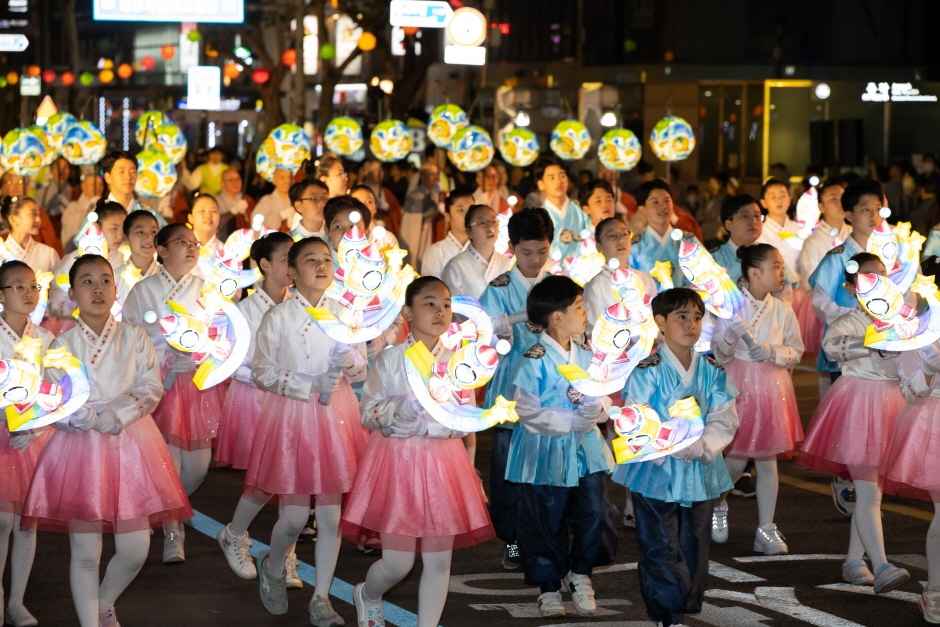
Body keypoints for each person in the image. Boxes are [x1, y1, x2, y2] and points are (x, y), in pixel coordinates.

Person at [22, 254, 191, 627]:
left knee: (135, 548)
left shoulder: (134, 337)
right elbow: (52, 396)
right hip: (80, 449)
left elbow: (151, 387)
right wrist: (79, 415)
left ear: (116, 289)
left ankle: (104, 601)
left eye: (104, 281)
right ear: (72, 293)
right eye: (87, 282)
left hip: (131, 444)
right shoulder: (61, 344)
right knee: (85, 550)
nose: (97, 289)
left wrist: (119, 413)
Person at [345, 276, 494, 627]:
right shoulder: (391, 359)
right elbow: (368, 412)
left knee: (439, 560)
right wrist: (403, 413)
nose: (441, 311)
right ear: (409, 312)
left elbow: (466, 419)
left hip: (445, 464)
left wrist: (447, 420)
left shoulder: (461, 361)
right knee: (399, 562)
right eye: (430, 303)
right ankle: (368, 593)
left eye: (445, 304)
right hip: (399, 461)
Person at [244, 237, 366, 623]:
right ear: (291, 272)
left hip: (335, 418)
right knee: (295, 517)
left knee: (330, 515)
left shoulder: (344, 312)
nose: (320, 266)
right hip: (293, 418)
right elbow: (262, 372)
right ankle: (274, 564)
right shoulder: (278, 317)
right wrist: (305, 385)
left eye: (326, 259)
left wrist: (352, 363)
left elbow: (362, 366)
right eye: (310, 260)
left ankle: (322, 597)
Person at [613, 288, 739, 627]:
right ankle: (666, 612)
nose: (692, 325)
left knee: (694, 543)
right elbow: (636, 419)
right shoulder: (647, 369)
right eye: (682, 317)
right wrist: (673, 444)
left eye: (697, 317)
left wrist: (703, 445)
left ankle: (683, 603)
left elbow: (725, 415)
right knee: (659, 544)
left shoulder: (710, 369)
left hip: (699, 467)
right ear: (660, 323)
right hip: (658, 471)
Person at [800, 252, 910, 593]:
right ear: (851, 288)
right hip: (860, 406)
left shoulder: (900, 320)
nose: (878, 284)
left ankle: (853, 560)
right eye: (867, 279)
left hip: (892, 405)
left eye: (882, 277)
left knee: (872, 490)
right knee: (867, 491)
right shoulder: (849, 321)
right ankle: (880, 564)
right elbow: (833, 348)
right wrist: (870, 344)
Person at [505, 275, 614, 618]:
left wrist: (598, 411)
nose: (585, 314)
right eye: (579, 308)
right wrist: (572, 421)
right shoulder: (534, 358)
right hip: (546, 450)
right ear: (556, 316)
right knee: (545, 518)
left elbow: (605, 393)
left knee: (592, 512)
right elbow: (527, 411)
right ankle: (549, 585)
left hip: (585, 450)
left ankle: (580, 573)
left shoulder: (586, 353)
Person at [122, 224, 224, 564]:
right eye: (181, 242)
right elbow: (132, 341)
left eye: (194, 243)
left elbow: (225, 335)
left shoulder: (207, 289)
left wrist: (203, 354)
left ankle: (167, 507)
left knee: (197, 467)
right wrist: (166, 357)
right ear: (161, 250)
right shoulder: (143, 291)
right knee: (168, 460)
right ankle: (172, 529)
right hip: (160, 385)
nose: (191, 248)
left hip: (197, 384)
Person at [711, 244, 803, 553]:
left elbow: (796, 348)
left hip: (772, 387)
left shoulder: (782, 308)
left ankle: (766, 528)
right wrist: (729, 337)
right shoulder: (731, 306)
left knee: (768, 458)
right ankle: (718, 503)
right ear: (754, 272)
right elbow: (719, 353)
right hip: (740, 384)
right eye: (775, 266)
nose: (781, 272)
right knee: (736, 457)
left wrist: (774, 352)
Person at [478, 208, 553, 571]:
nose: (535, 260)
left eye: (541, 251)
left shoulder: (558, 287)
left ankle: (542, 539)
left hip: (550, 394)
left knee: (545, 475)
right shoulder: (499, 289)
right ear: (512, 249)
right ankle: (511, 544)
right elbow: (482, 334)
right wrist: (504, 325)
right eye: (527, 253)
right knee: (508, 479)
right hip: (510, 393)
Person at [215, 233, 293, 576]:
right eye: (286, 259)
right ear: (264, 264)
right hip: (258, 401)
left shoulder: (299, 304)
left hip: (294, 402)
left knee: (294, 481)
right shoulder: (245, 310)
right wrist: (277, 378)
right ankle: (234, 533)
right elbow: (237, 364)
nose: (293, 267)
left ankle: (283, 555)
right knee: (267, 478)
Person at [0, 261, 54, 627]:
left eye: (33, 286)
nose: (28, 292)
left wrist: (33, 425)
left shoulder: (46, 339)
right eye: (18, 286)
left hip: (32, 438)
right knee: (2, 520)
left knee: (26, 523)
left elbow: (57, 390)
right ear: (1, 295)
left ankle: (17, 600)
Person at [48, 202, 127, 323]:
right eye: (114, 228)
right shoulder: (72, 260)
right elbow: (57, 298)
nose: (120, 235)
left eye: (123, 229)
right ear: (97, 226)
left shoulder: (125, 258)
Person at [796, 179, 849, 354]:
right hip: (825, 308)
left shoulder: (853, 232)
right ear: (821, 206)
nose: (840, 202)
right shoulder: (813, 241)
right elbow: (810, 280)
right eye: (833, 199)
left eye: (843, 197)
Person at [584, 217, 656, 326]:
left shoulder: (645, 279)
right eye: (612, 236)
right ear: (599, 246)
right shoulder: (595, 286)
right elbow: (596, 328)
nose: (620, 240)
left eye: (624, 234)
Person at [441, 204, 514, 299]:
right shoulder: (455, 267)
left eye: (493, 221)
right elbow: (454, 308)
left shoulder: (507, 264)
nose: (490, 227)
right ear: (469, 232)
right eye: (482, 223)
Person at [629, 179, 693, 288]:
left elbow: (705, 276)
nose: (663, 206)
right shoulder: (634, 246)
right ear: (643, 209)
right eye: (655, 202)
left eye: (667, 200)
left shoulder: (688, 240)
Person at [535, 158, 591, 261]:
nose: (559, 181)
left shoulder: (581, 211)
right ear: (541, 184)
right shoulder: (537, 217)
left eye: (562, 176)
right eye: (552, 178)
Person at [114, 210, 159, 318]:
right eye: (140, 232)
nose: (149, 238)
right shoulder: (115, 277)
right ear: (126, 237)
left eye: (153, 232)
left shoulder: (167, 275)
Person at [421, 187, 473, 278]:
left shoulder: (484, 249)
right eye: (461, 210)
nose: (468, 215)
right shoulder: (435, 253)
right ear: (448, 216)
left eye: (472, 210)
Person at [710, 194, 763, 283]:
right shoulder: (713, 259)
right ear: (728, 224)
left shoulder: (769, 254)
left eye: (757, 216)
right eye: (745, 216)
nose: (753, 221)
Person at [2, 197, 60, 274]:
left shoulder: (48, 254)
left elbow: (60, 284)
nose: (38, 220)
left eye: (39, 215)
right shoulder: (2, 252)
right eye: (33, 214)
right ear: (13, 219)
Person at [401, 161, 442, 266]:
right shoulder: (415, 195)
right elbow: (411, 221)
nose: (435, 178)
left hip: (429, 231)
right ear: (423, 176)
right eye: (431, 175)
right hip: (418, 232)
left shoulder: (434, 193)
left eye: (436, 175)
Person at [61, 169, 103, 250]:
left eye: (100, 185)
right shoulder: (72, 208)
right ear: (83, 186)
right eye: (93, 185)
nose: (98, 188)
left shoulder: (106, 205)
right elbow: (71, 237)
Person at [216, 167, 254, 239]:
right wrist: (233, 211)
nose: (235, 182)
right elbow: (216, 224)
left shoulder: (247, 199)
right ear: (222, 183)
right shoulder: (216, 201)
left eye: (238, 179)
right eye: (230, 180)